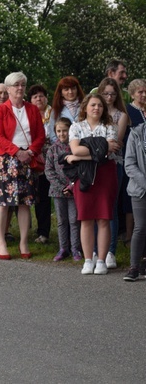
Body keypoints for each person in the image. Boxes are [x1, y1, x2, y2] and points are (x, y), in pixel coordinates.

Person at [0, 72, 45, 260]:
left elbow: (40, 135)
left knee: (25, 203)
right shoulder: (0, 110)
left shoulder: (32, 109)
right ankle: (1, 241)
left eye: (22, 84)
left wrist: (30, 152)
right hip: (5, 160)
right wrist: (16, 152)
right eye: (15, 85)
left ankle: (23, 241)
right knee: (2, 203)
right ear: (8, 89)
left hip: (27, 159)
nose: (19, 88)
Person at [66, 94, 120, 275]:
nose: (96, 108)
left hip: (105, 173)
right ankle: (88, 260)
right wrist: (97, 148)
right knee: (86, 218)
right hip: (84, 175)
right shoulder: (76, 127)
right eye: (93, 105)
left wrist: (81, 154)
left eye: (100, 105)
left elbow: (108, 152)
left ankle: (102, 261)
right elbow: (75, 149)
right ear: (85, 107)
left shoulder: (110, 127)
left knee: (104, 218)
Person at [98, 76, 129, 269]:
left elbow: (116, 144)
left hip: (114, 164)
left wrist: (95, 145)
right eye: (105, 93)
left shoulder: (121, 115)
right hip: (94, 165)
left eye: (112, 93)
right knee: (95, 209)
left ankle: (110, 251)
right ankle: (95, 250)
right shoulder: (94, 112)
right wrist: (100, 146)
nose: (109, 97)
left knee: (111, 208)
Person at [45, 117, 81, 262]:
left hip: (73, 191)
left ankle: (76, 248)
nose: (62, 134)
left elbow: (80, 169)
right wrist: (61, 187)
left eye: (64, 131)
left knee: (74, 220)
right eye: (59, 131)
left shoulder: (76, 148)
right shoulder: (52, 149)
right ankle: (63, 248)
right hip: (57, 191)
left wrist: (72, 186)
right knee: (61, 220)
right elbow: (48, 170)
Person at [28, 84, 53, 244]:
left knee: (50, 197)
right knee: (38, 197)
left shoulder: (54, 113)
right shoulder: (28, 114)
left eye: (41, 95)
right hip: (34, 160)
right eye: (35, 96)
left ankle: (47, 232)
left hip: (54, 160)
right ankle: (38, 231)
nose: (39, 98)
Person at [124, 121, 146, 281]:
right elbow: (130, 164)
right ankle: (134, 267)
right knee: (141, 227)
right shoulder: (136, 133)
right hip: (140, 189)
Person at [47, 76, 85, 143]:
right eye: (66, 89)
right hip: (62, 149)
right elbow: (52, 132)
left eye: (73, 88)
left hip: (83, 146)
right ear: (61, 93)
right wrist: (61, 146)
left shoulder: (85, 107)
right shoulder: (56, 109)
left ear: (77, 90)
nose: (70, 92)